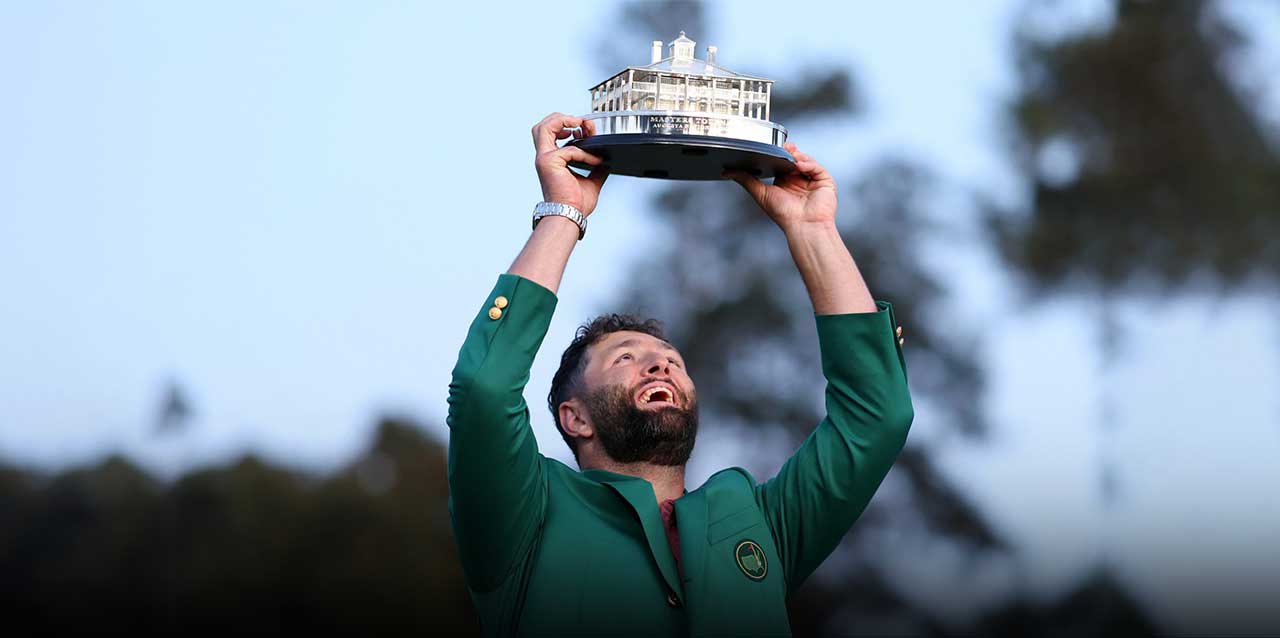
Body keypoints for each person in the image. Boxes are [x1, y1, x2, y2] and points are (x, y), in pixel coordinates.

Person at [446, 112, 913, 637]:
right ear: (573, 418)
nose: (660, 362)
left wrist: (812, 229)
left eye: (672, 359)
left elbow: (877, 417)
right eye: (625, 357)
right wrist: (564, 212)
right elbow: (483, 389)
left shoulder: (759, 522)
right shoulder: (527, 515)